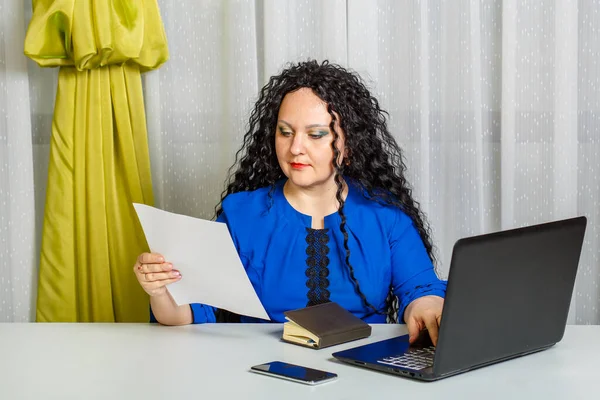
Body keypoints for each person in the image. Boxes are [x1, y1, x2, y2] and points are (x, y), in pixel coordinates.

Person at [133, 60, 447, 345]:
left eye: (316, 134)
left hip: (363, 370)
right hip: (260, 370)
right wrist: (160, 291)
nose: (295, 147)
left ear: (349, 145)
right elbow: (191, 311)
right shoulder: (241, 214)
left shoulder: (387, 216)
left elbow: (420, 289)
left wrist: (426, 306)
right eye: (285, 132)